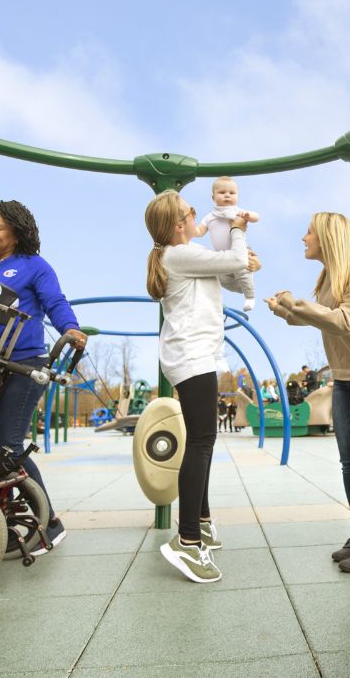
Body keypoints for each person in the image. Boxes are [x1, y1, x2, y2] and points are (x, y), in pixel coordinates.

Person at [266, 212, 350, 573]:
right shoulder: (327, 276)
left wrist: (297, 303)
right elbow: (320, 316)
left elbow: (346, 320)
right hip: (345, 376)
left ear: (326, 236)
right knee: (349, 462)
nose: (303, 238)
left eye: (308, 232)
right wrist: (285, 312)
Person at [0, 200, 87, 553]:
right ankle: (4, 523)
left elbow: (55, 303)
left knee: (7, 447)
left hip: (23, 364)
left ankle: (50, 525)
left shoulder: (34, 266)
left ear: (17, 231)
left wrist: (71, 328)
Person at [145, 189, 253, 583]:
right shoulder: (178, 254)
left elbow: (232, 275)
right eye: (192, 212)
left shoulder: (182, 255)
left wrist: (246, 269)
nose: (197, 217)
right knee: (202, 440)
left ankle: (201, 522)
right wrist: (238, 230)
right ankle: (187, 540)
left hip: (193, 355)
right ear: (179, 225)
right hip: (191, 357)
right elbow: (233, 258)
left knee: (202, 439)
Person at [195, 176, 261, 312]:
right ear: (213, 197)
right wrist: (189, 231)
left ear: (237, 196)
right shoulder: (210, 217)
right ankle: (241, 288)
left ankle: (250, 297)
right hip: (222, 255)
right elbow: (200, 232)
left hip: (241, 251)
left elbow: (256, 217)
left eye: (232, 193)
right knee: (222, 278)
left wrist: (248, 215)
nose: (227, 195)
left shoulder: (238, 211)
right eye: (222, 192)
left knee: (242, 271)